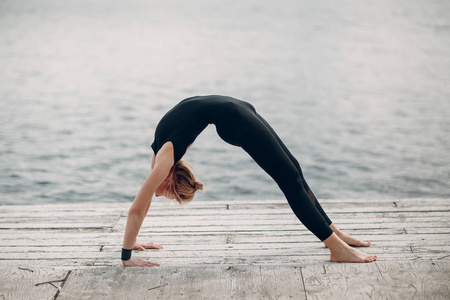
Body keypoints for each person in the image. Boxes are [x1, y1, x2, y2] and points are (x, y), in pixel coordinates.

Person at [121, 95, 377, 267]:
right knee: (290, 176)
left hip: (236, 117)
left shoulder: (164, 160)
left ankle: (336, 242)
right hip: (235, 112)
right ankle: (334, 241)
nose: (154, 194)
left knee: (293, 174)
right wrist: (132, 243)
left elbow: (137, 209)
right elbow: (141, 209)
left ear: (166, 179)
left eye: (162, 192)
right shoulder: (162, 152)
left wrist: (126, 256)